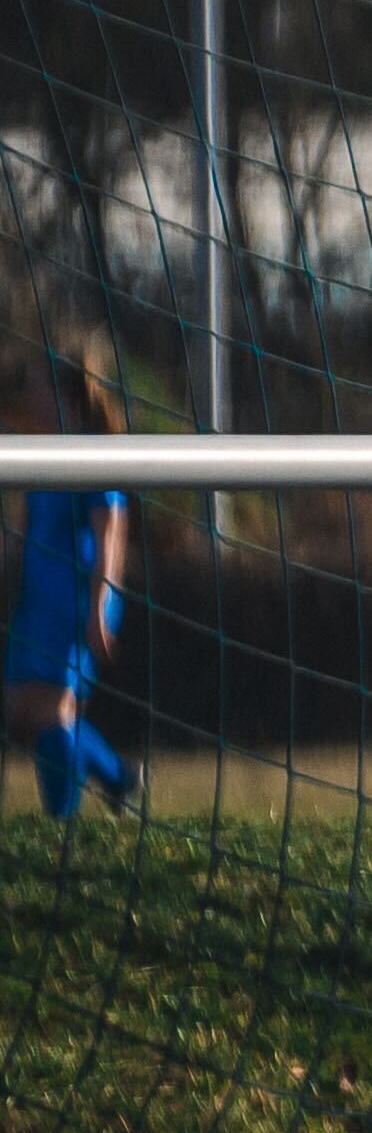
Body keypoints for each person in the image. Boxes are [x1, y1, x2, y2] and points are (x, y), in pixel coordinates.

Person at [11, 336, 142, 819]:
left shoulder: (93, 458)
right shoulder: (41, 456)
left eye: (41, 388)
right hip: (39, 604)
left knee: (52, 712)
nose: (32, 398)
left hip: (75, 603)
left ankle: (62, 824)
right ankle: (118, 776)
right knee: (25, 710)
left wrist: (98, 609)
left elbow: (109, 535)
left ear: (66, 396)